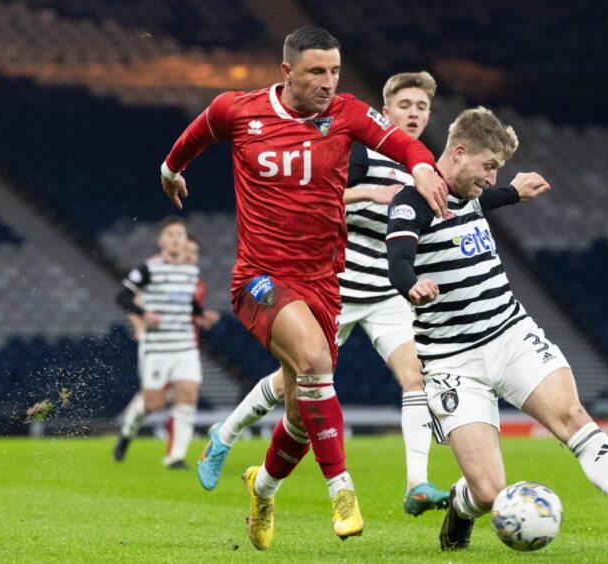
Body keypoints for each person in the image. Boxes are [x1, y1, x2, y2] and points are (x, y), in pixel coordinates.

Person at [159, 26, 447, 550]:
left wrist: (423, 166)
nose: (328, 82)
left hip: (322, 281)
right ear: (287, 72)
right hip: (261, 279)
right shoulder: (238, 111)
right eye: (317, 72)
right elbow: (196, 134)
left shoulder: (348, 113)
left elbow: (401, 143)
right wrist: (170, 168)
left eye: (334, 71)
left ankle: (262, 489)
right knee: (316, 361)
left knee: (298, 414)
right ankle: (343, 490)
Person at [385, 107, 608, 551]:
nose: (491, 178)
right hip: (452, 360)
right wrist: (413, 285)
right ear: (460, 152)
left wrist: (513, 192)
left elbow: (480, 200)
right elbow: (398, 262)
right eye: (489, 166)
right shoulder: (411, 202)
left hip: (511, 335)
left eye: (497, 171)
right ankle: (460, 508)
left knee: (573, 417)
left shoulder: (470, 193)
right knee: (487, 492)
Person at [113, 217, 204, 469]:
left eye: (180, 235)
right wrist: (143, 315)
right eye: (171, 234)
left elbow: (188, 301)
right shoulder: (147, 269)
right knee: (153, 403)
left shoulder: (191, 271)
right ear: (162, 241)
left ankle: (175, 456)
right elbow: (121, 296)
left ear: (185, 241)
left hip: (185, 346)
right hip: (157, 348)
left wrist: (200, 315)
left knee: (188, 395)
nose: (176, 239)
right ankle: (127, 432)